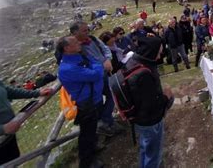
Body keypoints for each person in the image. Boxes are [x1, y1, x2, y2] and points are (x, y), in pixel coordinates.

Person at [125, 36, 173, 168]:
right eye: (158, 52)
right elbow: (150, 105)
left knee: (145, 148)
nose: (159, 56)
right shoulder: (143, 75)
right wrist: (166, 97)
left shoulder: (134, 62)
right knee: (153, 152)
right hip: (150, 120)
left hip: (139, 118)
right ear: (151, 51)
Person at [57, 36, 104, 168]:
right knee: (86, 134)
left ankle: (92, 151)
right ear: (67, 48)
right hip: (85, 105)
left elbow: (93, 66)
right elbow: (95, 74)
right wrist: (97, 65)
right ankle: (87, 162)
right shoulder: (67, 68)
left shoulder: (77, 57)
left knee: (90, 130)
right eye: (75, 42)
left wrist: (94, 65)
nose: (79, 43)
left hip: (92, 100)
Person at [70, 21, 119, 136]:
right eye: (84, 30)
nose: (88, 32)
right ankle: (105, 123)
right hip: (94, 77)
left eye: (88, 29)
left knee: (113, 93)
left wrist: (107, 59)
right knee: (101, 99)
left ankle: (105, 121)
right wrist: (102, 65)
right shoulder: (74, 48)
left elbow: (105, 48)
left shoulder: (92, 39)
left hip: (104, 72)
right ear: (74, 32)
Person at [0, 81, 52, 165]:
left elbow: (9, 92)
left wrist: (37, 93)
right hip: (3, 134)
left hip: (8, 136)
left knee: (13, 160)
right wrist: (3, 129)